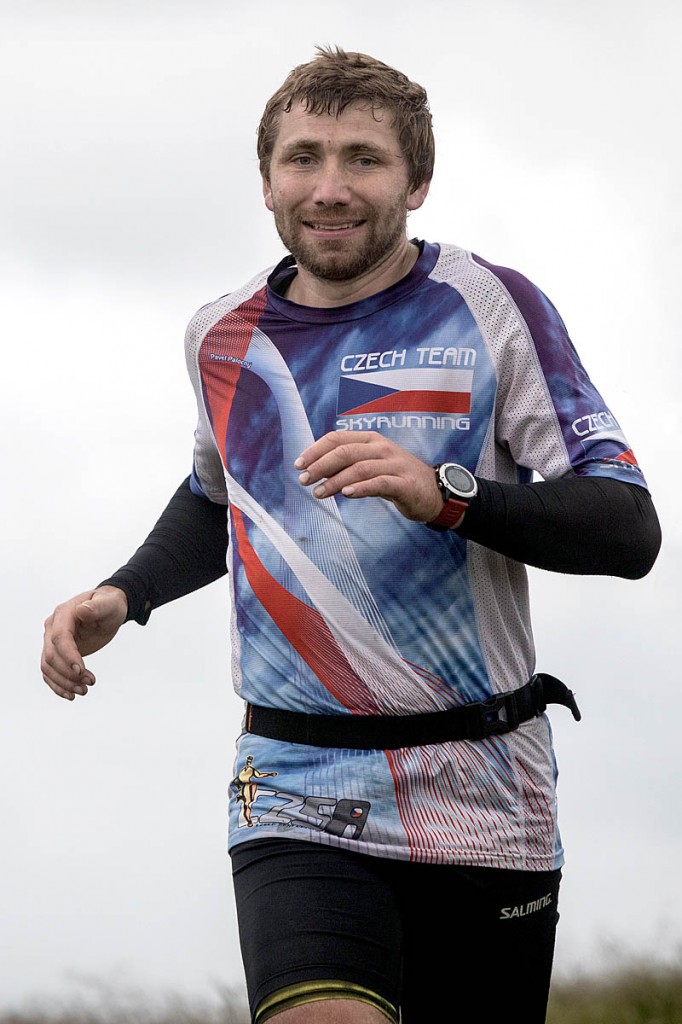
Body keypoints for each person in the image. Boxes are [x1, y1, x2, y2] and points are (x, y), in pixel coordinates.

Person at [41, 46, 661, 1024]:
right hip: (293, 784)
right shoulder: (222, 333)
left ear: (417, 180)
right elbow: (219, 497)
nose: (329, 188)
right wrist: (125, 593)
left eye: (362, 160)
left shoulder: (492, 306)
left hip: (484, 790)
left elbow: (627, 528)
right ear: (266, 181)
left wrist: (448, 494)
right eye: (303, 158)